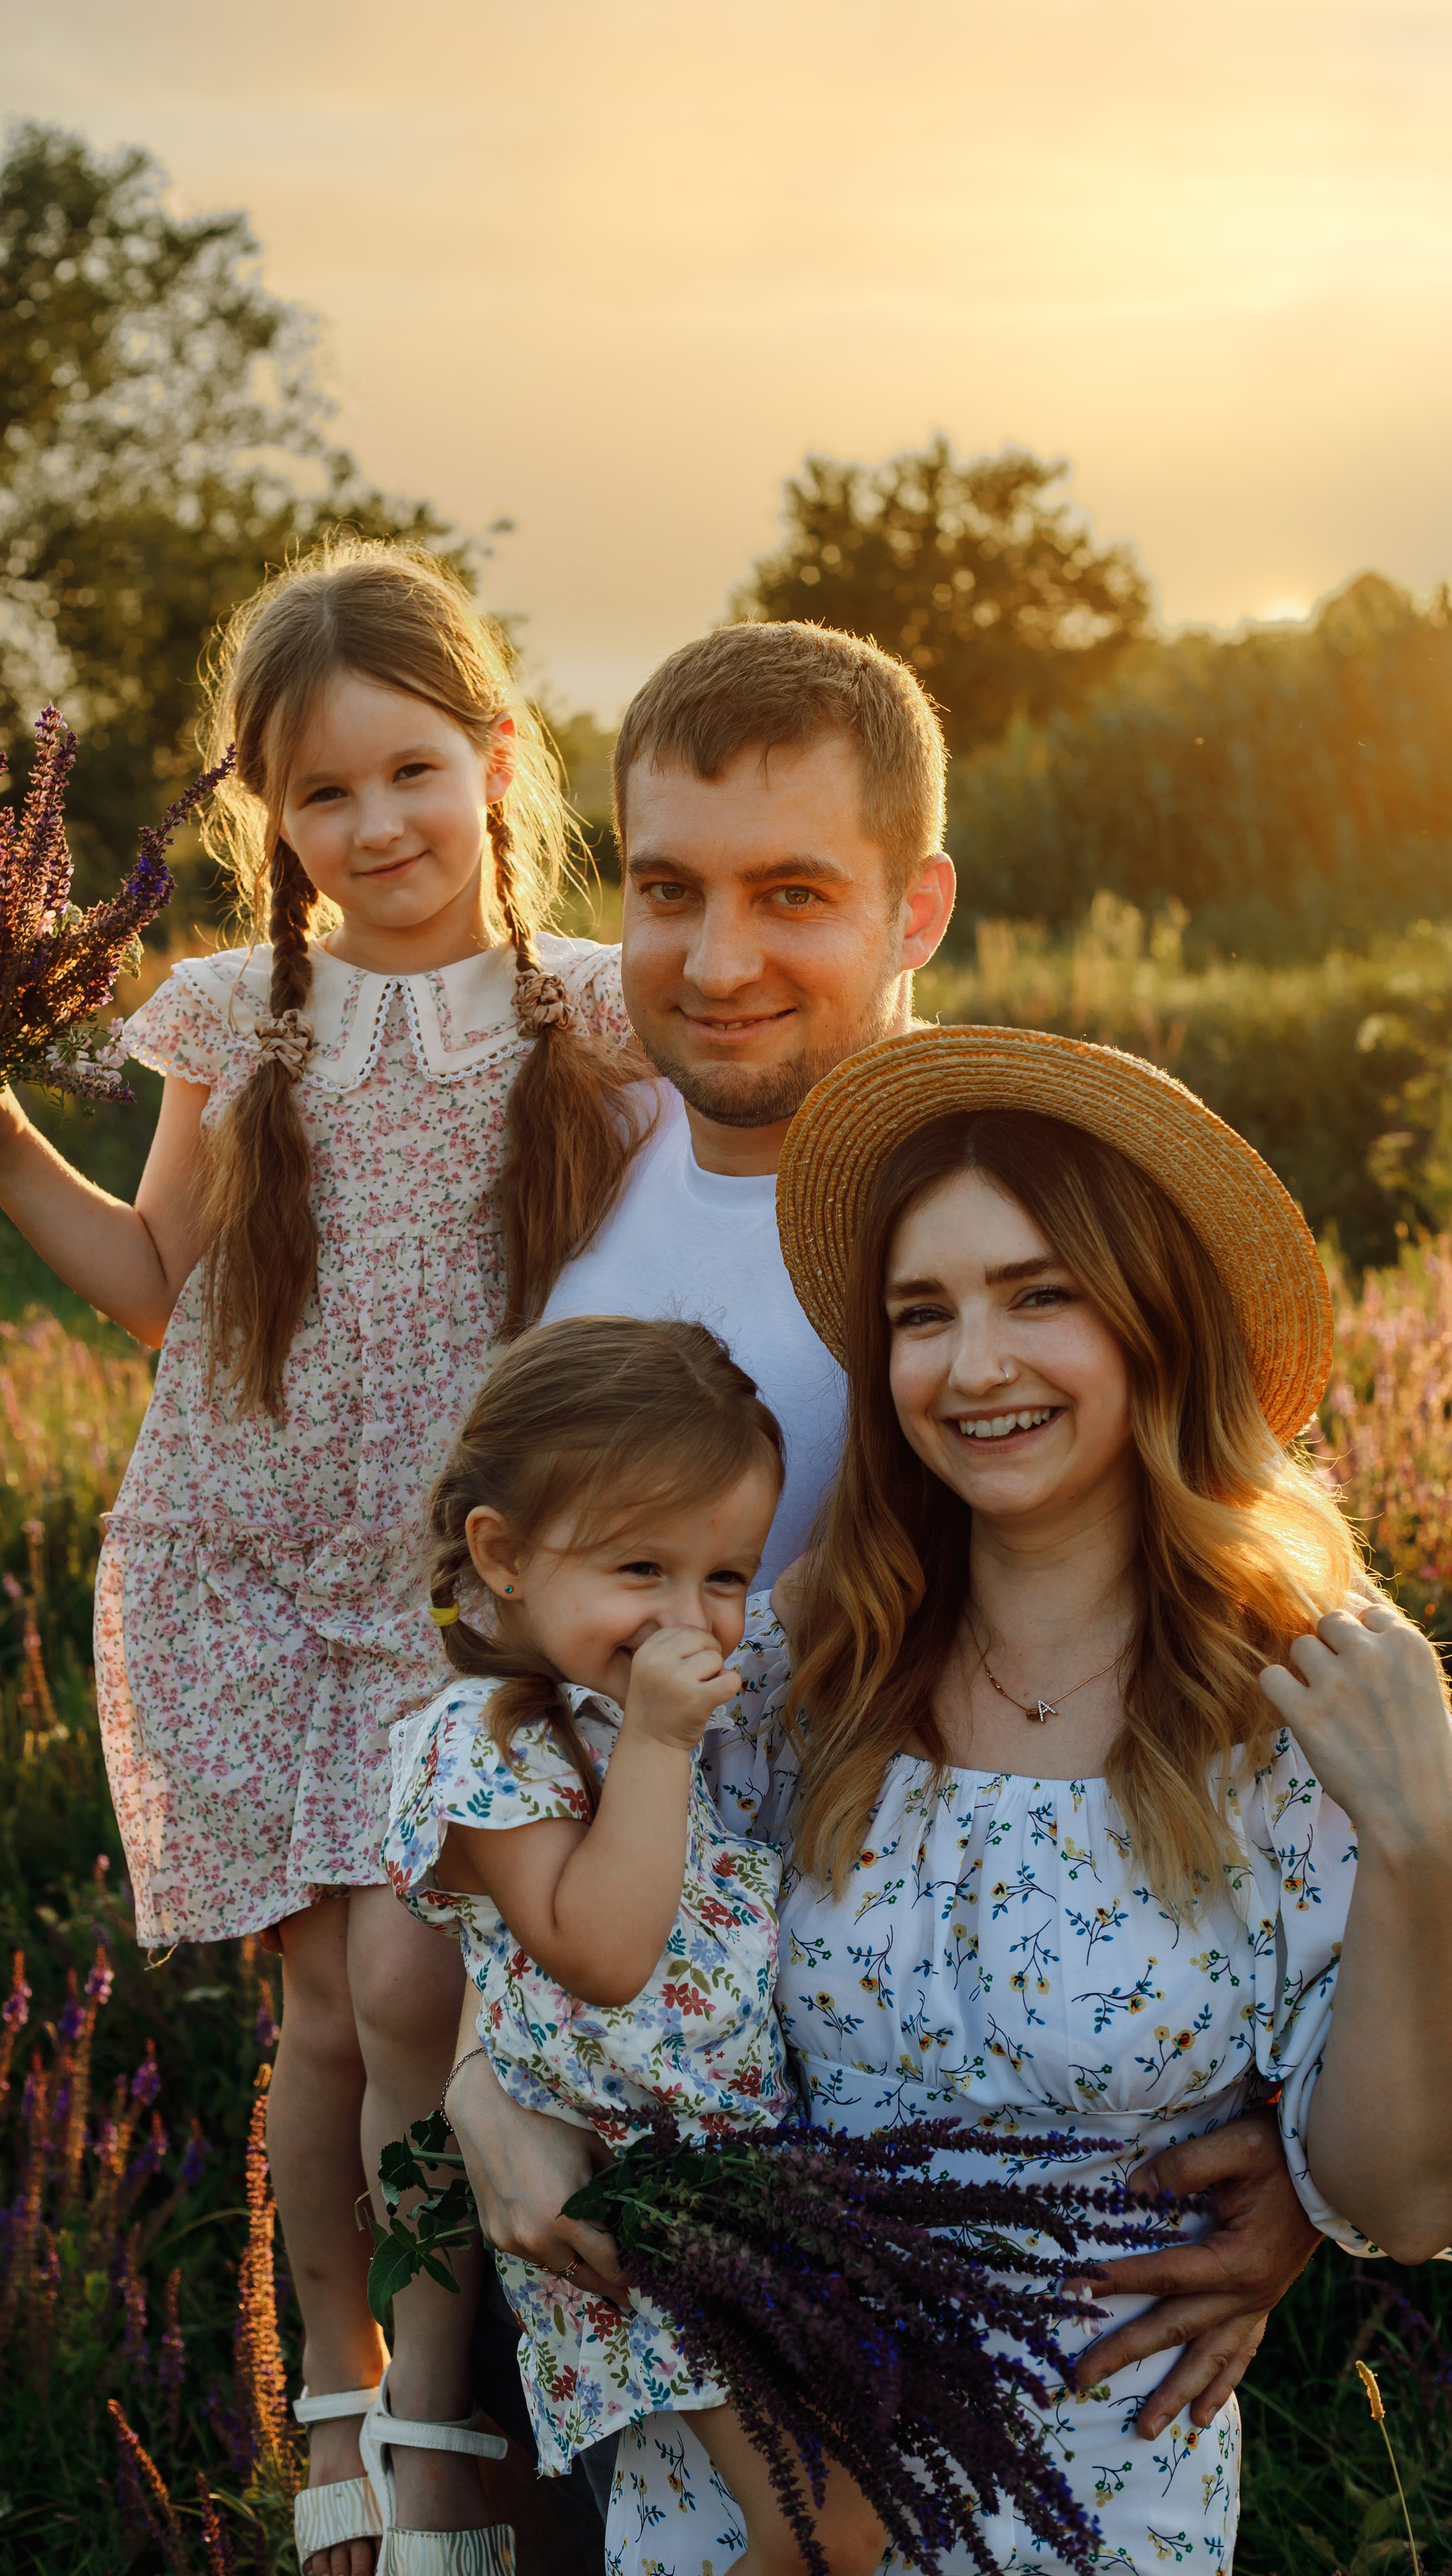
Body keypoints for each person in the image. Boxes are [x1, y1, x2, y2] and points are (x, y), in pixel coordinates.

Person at [0, 541, 653, 2576]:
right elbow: (160, 1286)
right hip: (252, 1553)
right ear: (271, 820)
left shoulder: (599, 1010)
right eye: (323, 796)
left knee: (434, 1988)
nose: (375, 826)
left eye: (409, 771)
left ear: (495, 757)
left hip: (483, 1581)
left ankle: (442, 2416)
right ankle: (354, 2426)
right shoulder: (240, 1012)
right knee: (327, 2013)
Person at [522, 619, 1323, 2443]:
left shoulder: (1002, 1203)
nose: (720, 962)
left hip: (914, 2178)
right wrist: (491, 2088)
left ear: (919, 905)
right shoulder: (568, 1159)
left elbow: (1233, 1600)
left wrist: (1309, 2164)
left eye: (794, 891)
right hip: (603, 2129)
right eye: (668, 889)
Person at [607, 1024, 1452, 2571]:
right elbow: (578, 1961)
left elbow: (1396, 2202)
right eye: (921, 1315)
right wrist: (485, 2104)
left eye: (1036, 1294)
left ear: (1150, 1323)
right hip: (752, 2485)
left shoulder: (1292, 1698)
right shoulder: (800, 1659)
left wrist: (1416, 1849)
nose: (971, 1365)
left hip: (1091, 2496)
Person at [384, 1316, 886, 2576]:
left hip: (734, 2191)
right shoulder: (484, 1745)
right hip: (634, 2208)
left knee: (836, 2515)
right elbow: (600, 1953)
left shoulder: (621, 1718)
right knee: (826, 2527)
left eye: (723, 1576)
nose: (691, 1621)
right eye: (640, 1570)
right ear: (498, 1556)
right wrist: (663, 1744)